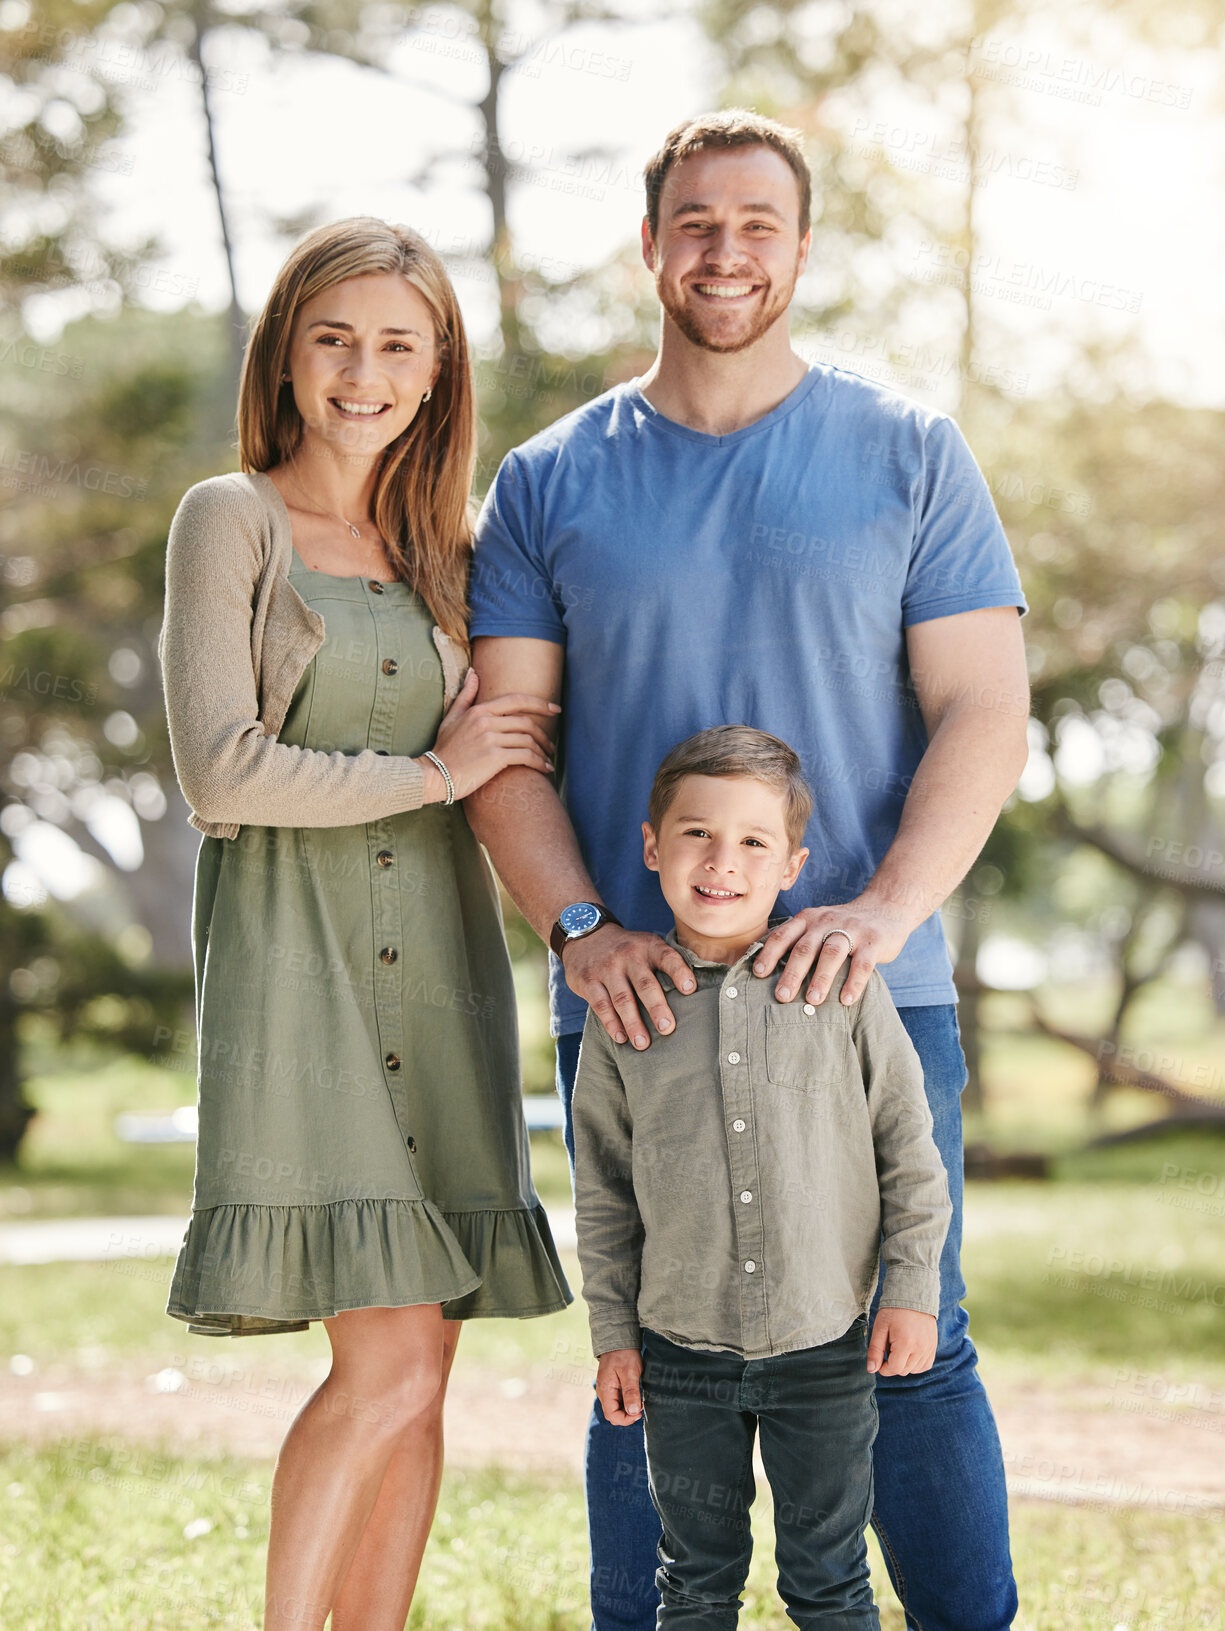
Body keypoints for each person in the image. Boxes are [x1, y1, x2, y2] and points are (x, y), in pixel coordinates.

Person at [465, 110, 1029, 1631]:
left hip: (861, 994)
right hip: (636, 1003)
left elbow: (986, 704)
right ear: (650, 244)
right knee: (647, 1351)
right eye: (697, 222)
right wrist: (579, 924)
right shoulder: (544, 477)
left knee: (915, 1340)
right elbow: (502, 739)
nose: (727, 251)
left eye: (759, 223)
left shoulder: (907, 450)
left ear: (799, 246)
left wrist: (888, 907)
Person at [157, 216, 571, 1631]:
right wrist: (437, 773)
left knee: (425, 1367)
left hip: (441, 978)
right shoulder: (232, 518)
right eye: (335, 336)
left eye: (399, 342)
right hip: (300, 973)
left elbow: (531, 740)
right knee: (384, 1362)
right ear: (286, 351)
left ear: (439, 365)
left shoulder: (448, 550)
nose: (364, 371)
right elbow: (220, 768)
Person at [572, 725, 953, 1628]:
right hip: (679, 1350)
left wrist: (912, 1287)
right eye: (697, 833)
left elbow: (909, 1144)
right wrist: (613, 1332)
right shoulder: (624, 1006)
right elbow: (604, 1190)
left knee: (827, 1576)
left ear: (792, 864)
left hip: (823, 1344)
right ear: (652, 846)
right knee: (693, 1578)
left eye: (752, 841)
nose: (721, 861)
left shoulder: (843, 987)